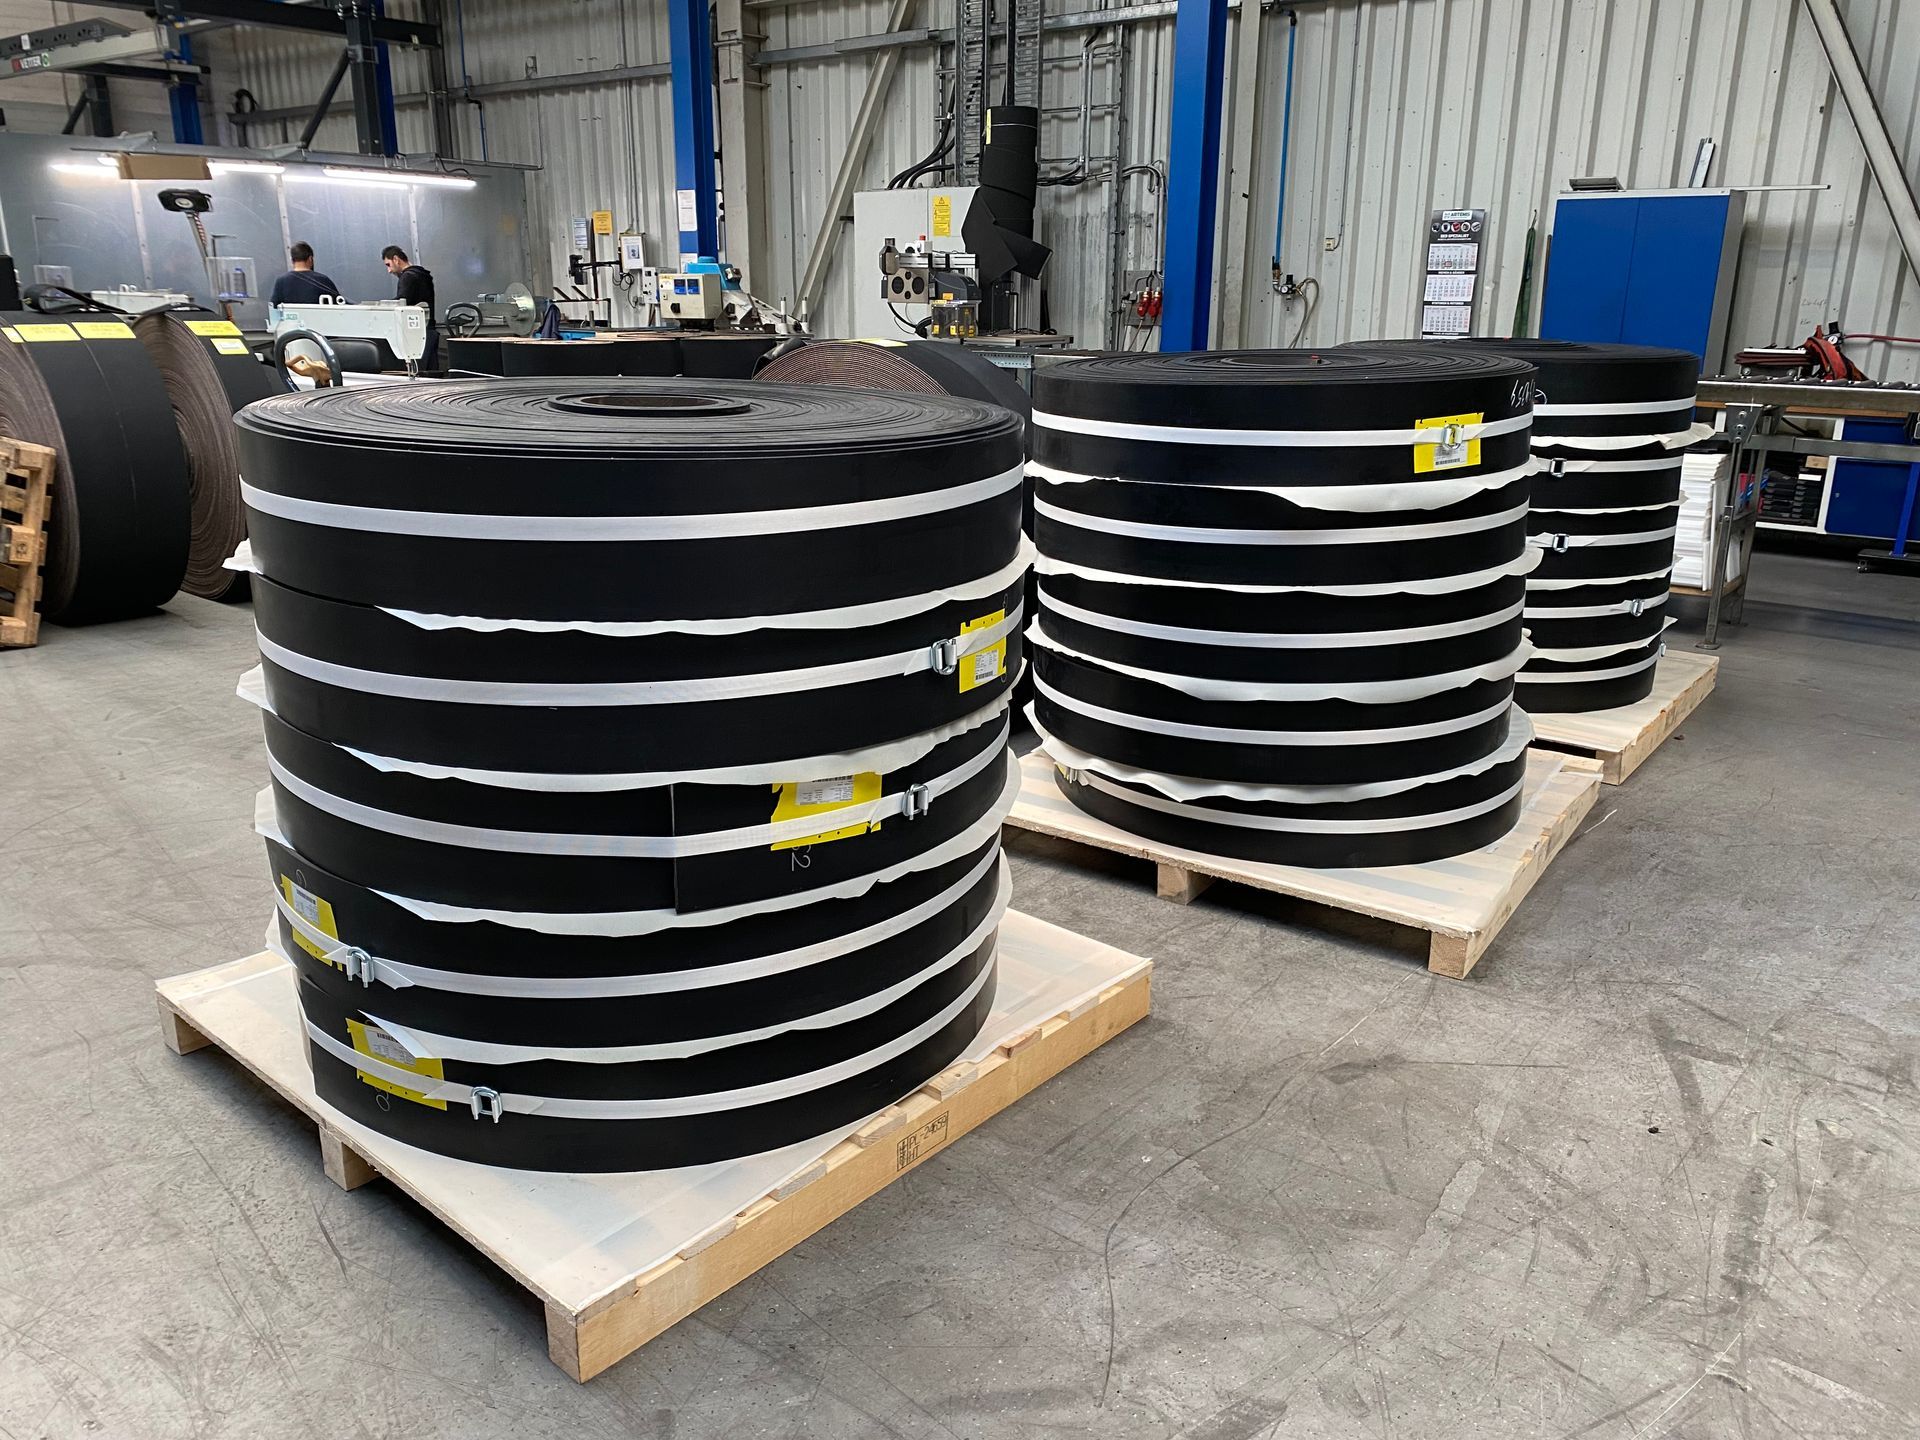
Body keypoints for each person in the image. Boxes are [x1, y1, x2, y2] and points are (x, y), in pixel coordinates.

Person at [382, 244, 437, 366]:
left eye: (388, 265)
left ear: (396, 259)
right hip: (429, 330)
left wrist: (382, 306)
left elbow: (402, 302)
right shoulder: (423, 275)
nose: (389, 270)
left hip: (415, 334)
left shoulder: (407, 277)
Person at [267, 242, 341, 306]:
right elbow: (339, 304)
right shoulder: (323, 280)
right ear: (310, 259)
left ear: (292, 260)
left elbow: (274, 308)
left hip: (291, 322)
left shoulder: (281, 281)